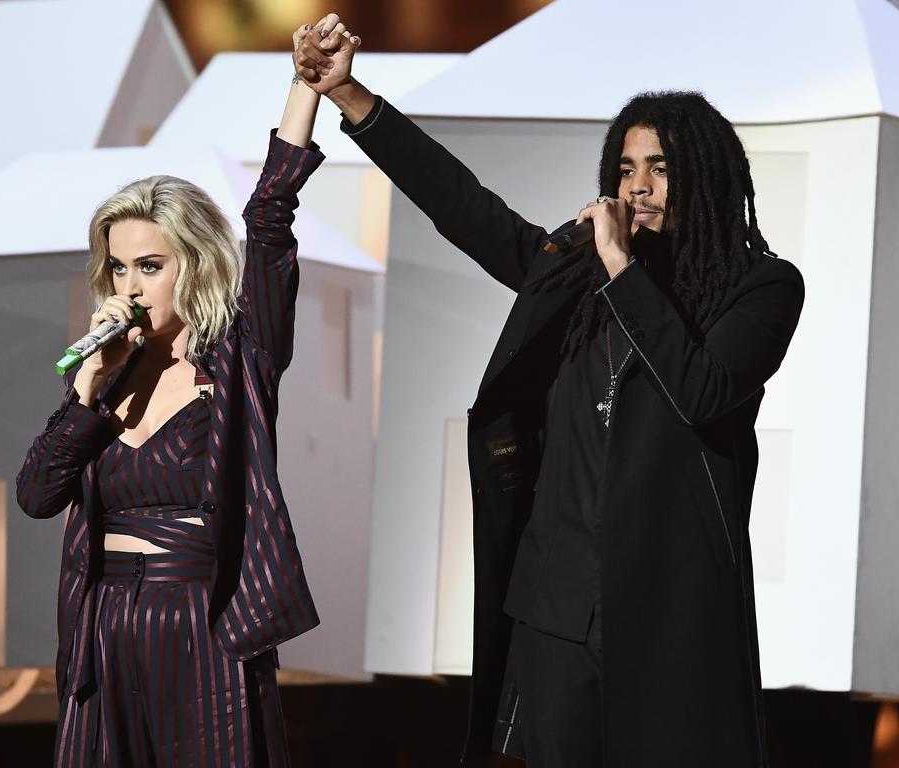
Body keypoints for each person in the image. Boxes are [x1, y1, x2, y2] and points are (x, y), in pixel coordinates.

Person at [294, 14, 804, 768]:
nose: (638, 187)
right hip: (557, 607)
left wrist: (622, 269)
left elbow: (701, 390)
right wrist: (351, 97)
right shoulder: (580, 274)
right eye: (626, 169)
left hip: (669, 610)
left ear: (706, 173)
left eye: (660, 167)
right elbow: (467, 210)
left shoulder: (760, 288)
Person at [16, 20, 349, 766]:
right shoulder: (105, 382)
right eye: (120, 268)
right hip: (103, 628)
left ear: (192, 265)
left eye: (151, 265)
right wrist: (86, 396)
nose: (131, 286)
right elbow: (37, 495)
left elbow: (268, 220)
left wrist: (305, 86)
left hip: (202, 625)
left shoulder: (238, 361)